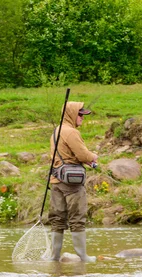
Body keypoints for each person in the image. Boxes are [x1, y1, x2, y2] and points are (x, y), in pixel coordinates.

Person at [48, 101, 98, 262]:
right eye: (80, 114)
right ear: (71, 114)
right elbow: (83, 155)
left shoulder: (56, 131)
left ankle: (54, 257)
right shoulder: (71, 132)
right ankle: (82, 256)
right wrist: (93, 157)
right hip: (72, 182)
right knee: (77, 217)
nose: (83, 117)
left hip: (56, 180)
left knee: (57, 218)